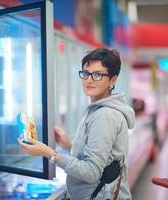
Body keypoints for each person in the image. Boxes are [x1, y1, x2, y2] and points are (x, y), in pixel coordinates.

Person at [18, 48, 135, 200]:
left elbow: (92, 172)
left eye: (98, 75)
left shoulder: (105, 115)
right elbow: (101, 158)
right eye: (86, 73)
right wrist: (69, 145)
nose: (89, 80)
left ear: (112, 80)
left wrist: (48, 153)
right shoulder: (97, 109)